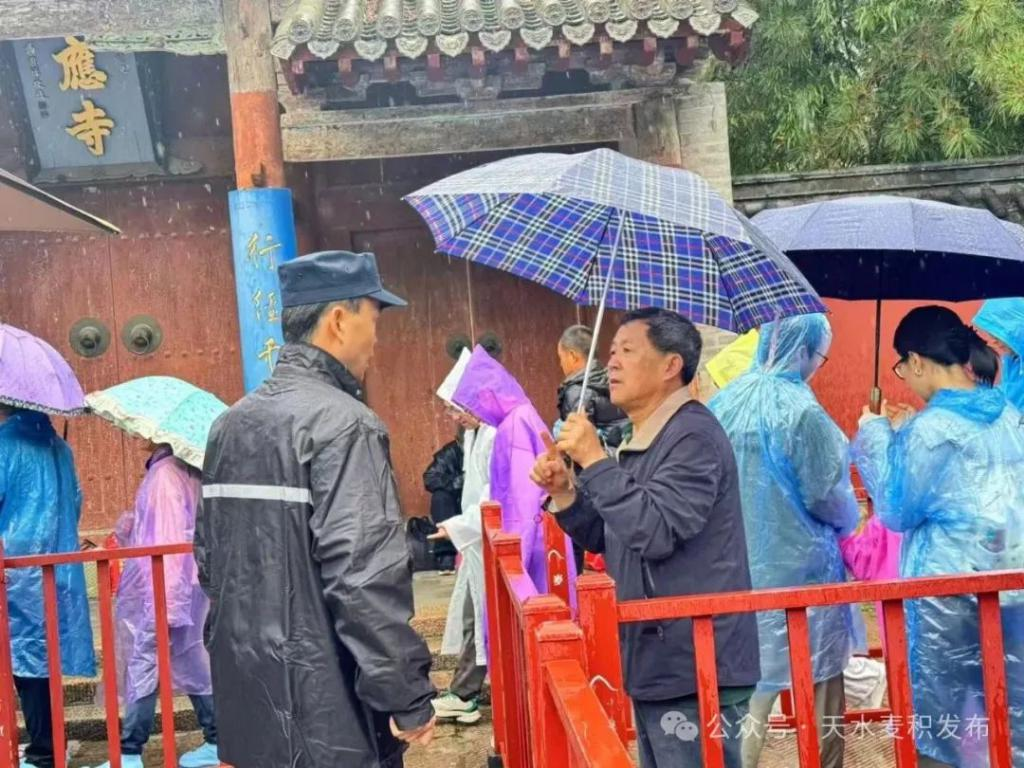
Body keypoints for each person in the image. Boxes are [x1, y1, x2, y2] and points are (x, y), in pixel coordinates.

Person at [196, 251, 436, 768]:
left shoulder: (229, 425)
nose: (376, 339)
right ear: (339, 320)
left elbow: (211, 567)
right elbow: (363, 579)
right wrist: (406, 696)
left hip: (250, 705)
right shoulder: (347, 425)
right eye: (374, 321)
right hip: (332, 717)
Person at [532, 308, 760, 768]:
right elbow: (611, 534)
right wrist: (565, 492)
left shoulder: (692, 437)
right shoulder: (647, 438)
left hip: (697, 664)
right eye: (611, 352)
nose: (611, 363)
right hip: (660, 656)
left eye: (627, 351)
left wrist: (595, 460)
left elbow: (655, 533)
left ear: (671, 365)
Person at [853, 305, 1024, 768]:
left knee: (941, 720)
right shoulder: (1007, 413)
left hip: (946, 598)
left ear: (916, 360)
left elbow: (896, 508)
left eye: (901, 367)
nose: (905, 377)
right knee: (1008, 712)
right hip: (1010, 588)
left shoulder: (932, 429)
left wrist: (874, 434)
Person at [709, 313, 861, 768]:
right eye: (820, 356)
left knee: (749, 696)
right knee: (821, 689)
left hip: (738, 572)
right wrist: (851, 524)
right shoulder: (803, 412)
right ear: (804, 351)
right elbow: (827, 495)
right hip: (804, 576)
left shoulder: (724, 401)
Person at [92, 444, 216, 768]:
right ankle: (218, 739)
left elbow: (167, 536)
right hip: (190, 581)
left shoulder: (164, 474)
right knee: (194, 661)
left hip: (165, 584)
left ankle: (130, 752)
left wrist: (166, 602)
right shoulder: (191, 470)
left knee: (145, 664)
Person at [0, 407, 95, 768]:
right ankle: (50, 745)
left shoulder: (4, 446)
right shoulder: (59, 446)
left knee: (25, 662)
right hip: (58, 567)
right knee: (44, 660)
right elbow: (75, 501)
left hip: (16, 572)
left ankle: (44, 752)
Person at [452, 345, 577, 600]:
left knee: (538, 606)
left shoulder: (513, 425)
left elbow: (522, 498)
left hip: (532, 536)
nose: (475, 412)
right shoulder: (520, 414)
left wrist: (516, 551)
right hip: (541, 529)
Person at [428, 349, 497, 725]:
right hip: (474, 539)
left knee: (480, 618)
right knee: (475, 616)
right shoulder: (474, 435)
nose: (454, 417)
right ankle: (464, 690)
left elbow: (492, 494)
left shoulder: (494, 435)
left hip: (486, 537)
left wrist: (457, 526)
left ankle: (465, 692)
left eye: (457, 408)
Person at [422, 434, 464, 572]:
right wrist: (458, 482)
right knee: (440, 497)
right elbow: (430, 477)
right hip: (457, 503)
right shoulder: (451, 451)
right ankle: (446, 553)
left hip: (483, 502)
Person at [973, 297, 1024, 408]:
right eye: (991, 335)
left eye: (998, 335)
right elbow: (1007, 395)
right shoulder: (1013, 361)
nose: (994, 341)